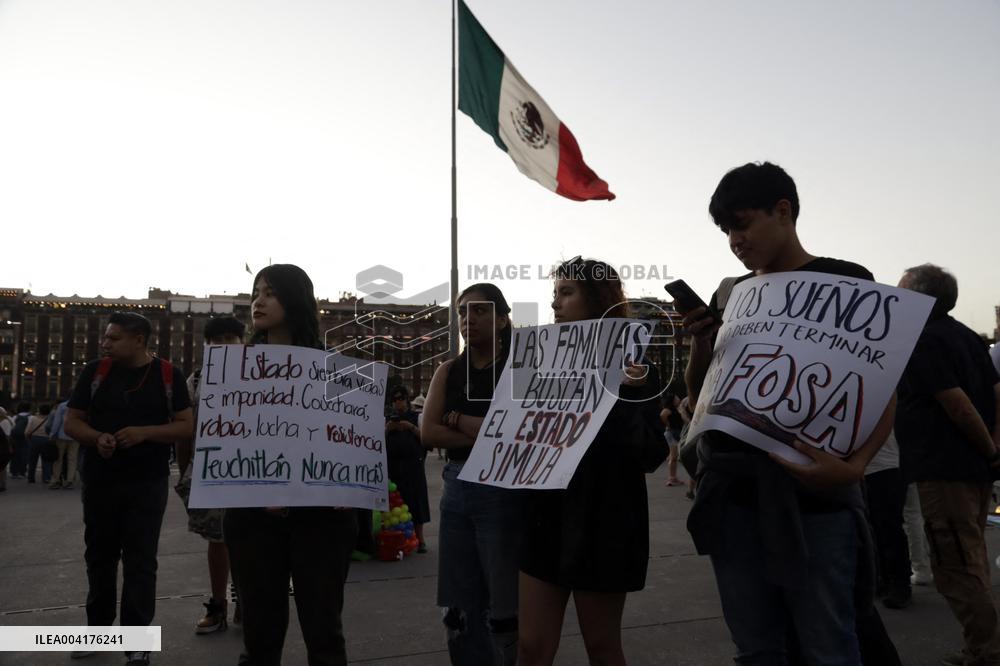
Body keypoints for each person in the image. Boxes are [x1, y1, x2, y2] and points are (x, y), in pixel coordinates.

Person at [683, 162, 897, 664]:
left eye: (741, 223)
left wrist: (854, 468)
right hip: (733, 496)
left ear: (783, 211)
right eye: (725, 230)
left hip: (815, 498)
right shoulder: (732, 294)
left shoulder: (847, 281)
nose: (734, 240)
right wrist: (699, 342)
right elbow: (701, 396)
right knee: (756, 648)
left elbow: (882, 390)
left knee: (829, 644)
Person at [517, 258, 668, 666]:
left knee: (601, 647)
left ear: (598, 298)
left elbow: (651, 454)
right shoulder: (536, 366)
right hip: (545, 518)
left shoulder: (635, 367)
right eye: (554, 295)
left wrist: (630, 395)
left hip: (605, 522)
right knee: (530, 646)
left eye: (566, 293)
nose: (555, 305)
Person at [223, 264, 357, 666]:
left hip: (321, 519)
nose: (258, 302)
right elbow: (224, 439)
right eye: (255, 293)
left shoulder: (336, 370)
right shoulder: (233, 370)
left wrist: (347, 484)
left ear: (295, 301)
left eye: (271, 293)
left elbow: (351, 442)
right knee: (259, 637)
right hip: (252, 519)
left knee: (324, 633)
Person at [64, 311, 193, 666]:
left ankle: (137, 641)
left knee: (140, 561)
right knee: (99, 557)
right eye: (106, 337)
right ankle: (97, 631)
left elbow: (186, 425)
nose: (105, 343)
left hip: (147, 483)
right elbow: (73, 421)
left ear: (139, 339)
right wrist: (97, 438)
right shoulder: (95, 372)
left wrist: (145, 432)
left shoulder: (168, 375)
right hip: (100, 481)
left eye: (114, 338)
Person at [895, 263, 1000, 666]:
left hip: (945, 468)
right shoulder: (965, 335)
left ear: (920, 297)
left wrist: (989, 448)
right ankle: (982, 647)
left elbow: (955, 403)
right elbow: (997, 391)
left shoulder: (923, 339)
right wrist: (993, 449)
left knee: (955, 565)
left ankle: (986, 652)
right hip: (971, 468)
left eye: (902, 289)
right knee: (969, 557)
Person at [422, 282, 522, 665]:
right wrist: (486, 427)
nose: (469, 319)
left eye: (480, 310)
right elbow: (428, 432)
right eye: (463, 312)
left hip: (504, 489)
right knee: (459, 600)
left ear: (501, 319)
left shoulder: (518, 370)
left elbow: (516, 433)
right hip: (457, 488)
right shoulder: (449, 371)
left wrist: (458, 418)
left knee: (504, 600)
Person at [174, 316, 245, 634]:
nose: (225, 344)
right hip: (211, 470)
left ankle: (246, 598)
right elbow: (184, 432)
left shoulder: (260, 375)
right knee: (218, 540)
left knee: (250, 540)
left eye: (232, 337)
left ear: (242, 342)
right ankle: (219, 605)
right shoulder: (197, 380)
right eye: (218, 339)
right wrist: (185, 470)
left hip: (253, 469)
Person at [863, 430, 912, 609]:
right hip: (866, 467)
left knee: (889, 527)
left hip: (886, 465)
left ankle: (900, 584)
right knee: (874, 528)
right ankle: (884, 579)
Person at [385, 386, 431, 553]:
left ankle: (420, 539)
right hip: (393, 468)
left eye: (401, 398)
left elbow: (427, 438)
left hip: (413, 467)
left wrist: (409, 427)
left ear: (407, 400)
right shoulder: (387, 420)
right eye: (395, 399)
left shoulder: (416, 417)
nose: (398, 402)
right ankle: (399, 540)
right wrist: (387, 429)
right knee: (397, 504)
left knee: (417, 503)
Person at [48, 398, 79, 489]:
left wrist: (53, 434)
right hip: (75, 436)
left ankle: (56, 480)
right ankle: (70, 480)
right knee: (72, 459)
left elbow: (57, 421)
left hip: (62, 435)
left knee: (58, 459)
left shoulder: (62, 406)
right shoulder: (81, 405)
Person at [25, 403, 53, 484]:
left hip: (34, 440)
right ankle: (46, 478)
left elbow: (27, 431)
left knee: (32, 460)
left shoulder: (33, 418)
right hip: (46, 440)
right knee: (46, 460)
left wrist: (28, 438)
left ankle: (31, 478)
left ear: (39, 410)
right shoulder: (50, 419)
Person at [8, 401, 30, 479]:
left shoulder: (15, 417)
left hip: (15, 439)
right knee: (24, 455)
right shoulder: (30, 417)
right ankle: (22, 472)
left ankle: (14, 472)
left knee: (14, 454)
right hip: (26, 438)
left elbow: (11, 428)